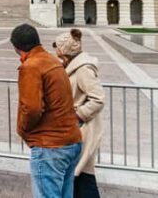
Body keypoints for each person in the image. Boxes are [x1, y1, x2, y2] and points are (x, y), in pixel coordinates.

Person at [10, 24, 82, 198]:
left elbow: (32, 109)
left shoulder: (31, 66)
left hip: (50, 146)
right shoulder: (52, 61)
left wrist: (23, 130)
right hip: (71, 141)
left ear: (16, 47)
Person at [53, 29, 105, 198]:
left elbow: (98, 99)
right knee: (79, 175)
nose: (59, 58)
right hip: (77, 129)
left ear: (67, 54)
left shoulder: (83, 70)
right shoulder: (73, 67)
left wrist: (76, 116)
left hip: (83, 128)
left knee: (81, 175)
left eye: (60, 55)